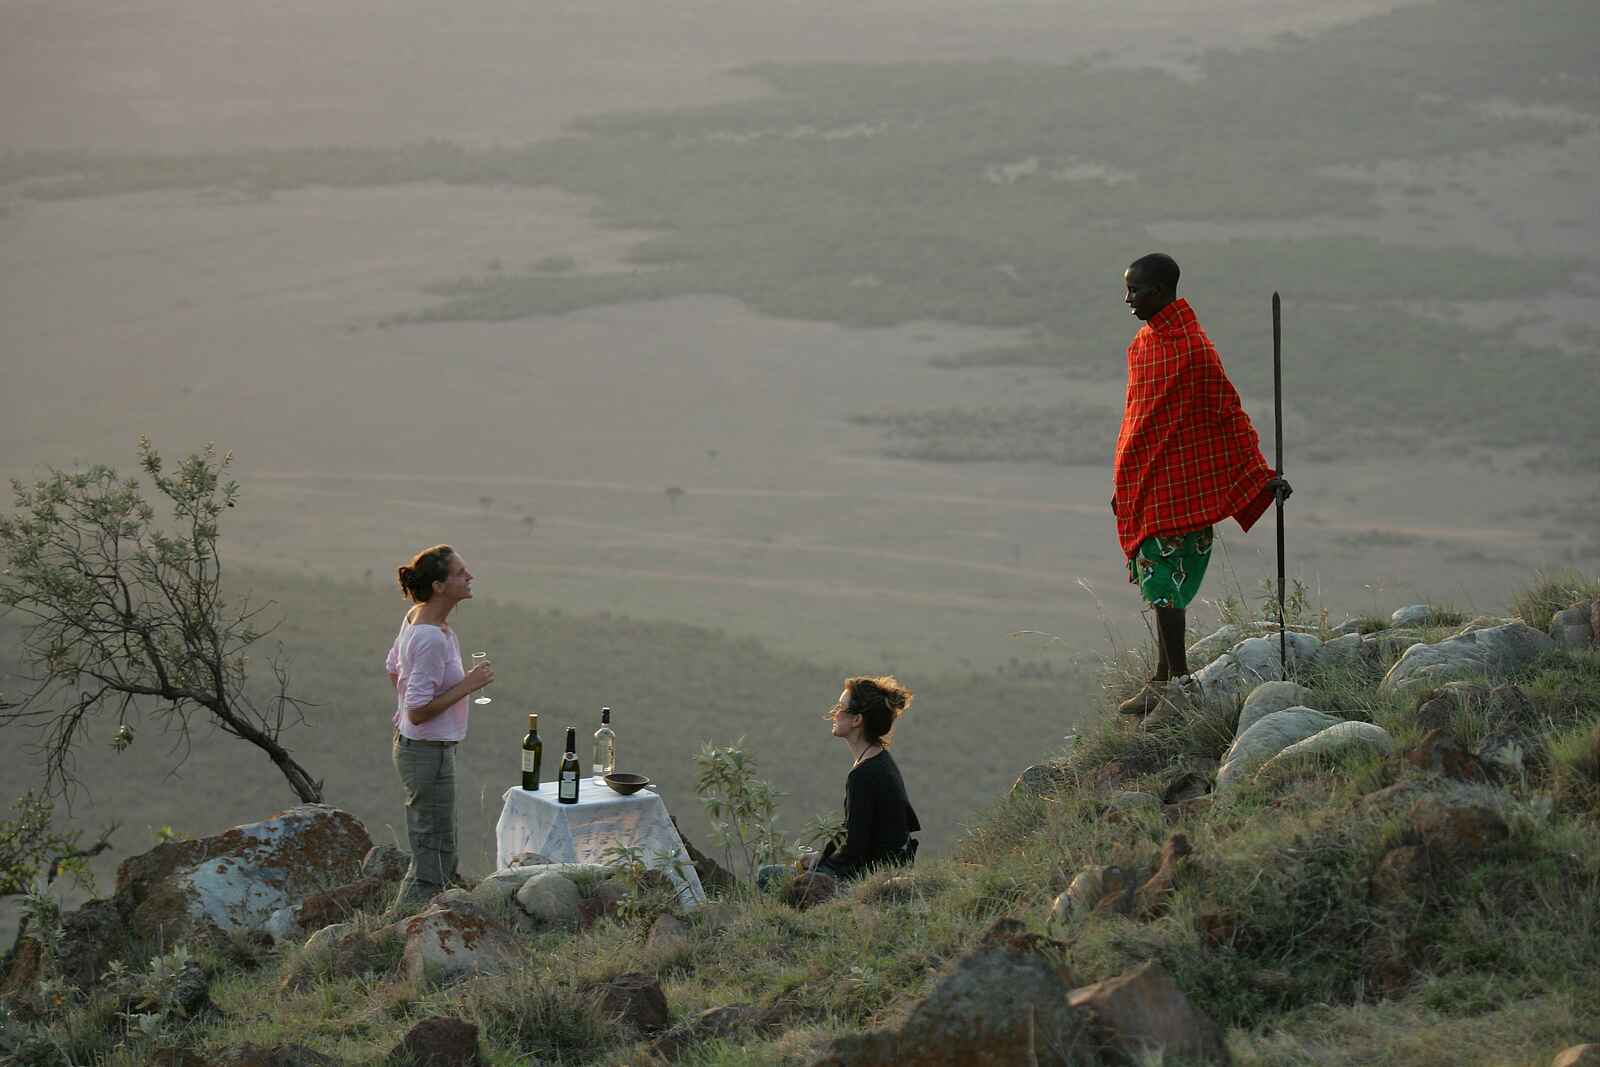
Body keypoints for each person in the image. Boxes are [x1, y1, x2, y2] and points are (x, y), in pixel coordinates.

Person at [1111, 253, 1291, 717]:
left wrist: (1260, 474)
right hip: (1148, 478)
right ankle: (1161, 677)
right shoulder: (1143, 344)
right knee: (1155, 574)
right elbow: (1137, 419)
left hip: (1180, 485)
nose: (1127, 299)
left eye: (1136, 290)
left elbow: (1227, 413)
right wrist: (1125, 479)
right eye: (1127, 289)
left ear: (1161, 291)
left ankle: (1177, 681)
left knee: (1165, 580)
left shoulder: (1193, 350)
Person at [385, 544, 494, 907]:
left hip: (423, 748)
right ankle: (411, 924)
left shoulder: (419, 619)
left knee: (439, 843)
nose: (469, 577)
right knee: (433, 851)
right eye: (461, 573)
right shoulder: (430, 637)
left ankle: (430, 919)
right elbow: (417, 710)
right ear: (439, 586)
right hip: (426, 751)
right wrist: (467, 686)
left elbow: (393, 668)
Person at [803, 675, 921, 880]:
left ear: (857, 720)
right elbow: (853, 828)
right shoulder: (880, 760)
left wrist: (820, 868)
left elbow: (854, 849)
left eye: (840, 708)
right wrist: (822, 856)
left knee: (769, 876)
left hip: (870, 877)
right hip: (886, 868)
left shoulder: (863, 775)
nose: (834, 714)